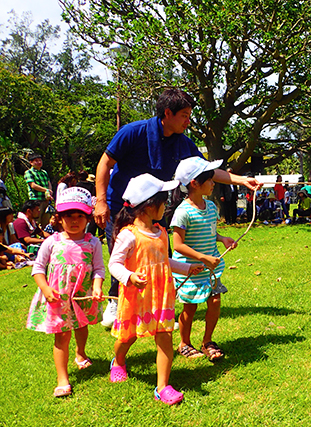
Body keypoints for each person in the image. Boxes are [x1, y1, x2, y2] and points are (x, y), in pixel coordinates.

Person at [96, 88, 261, 327]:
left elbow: (207, 170)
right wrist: (100, 201)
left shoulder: (183, 143)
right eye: (184, 114)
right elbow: (105, 163)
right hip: (122, 206)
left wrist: (242, 180)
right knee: (124, 256)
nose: (188, 120)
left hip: (155, 209)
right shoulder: (132, 132)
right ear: (167, 113)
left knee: (158, 254)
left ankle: (159, 308)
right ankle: (116, 302)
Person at [108, 173, 204, 405]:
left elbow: (164, 261)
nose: (168, 206)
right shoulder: (128, 235)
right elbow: (114, 264)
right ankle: (118, 360)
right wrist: (130, 277)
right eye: (165, 202)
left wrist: (187, 267)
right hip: (136, 296)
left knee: (165, 336)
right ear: (150, 206)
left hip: (161, 296)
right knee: (127, 336)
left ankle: (162, 386)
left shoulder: (161, 232)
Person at [25, 187, 105, 398]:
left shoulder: (93, 242)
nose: (75, 220)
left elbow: (98, 269)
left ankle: (80, 353)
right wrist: (45, 288)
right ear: (59, 218)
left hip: (82, 296)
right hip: (57, 299)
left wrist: (97, 286)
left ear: (88, 218)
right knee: (61, 336)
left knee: (81, 325)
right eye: (69, 215)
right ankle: (62, 378)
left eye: (80, 216)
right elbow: (38, 268)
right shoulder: (52, 242)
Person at [170, 157, 237, 362]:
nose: (213, 183)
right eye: (209, 179)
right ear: (194, 184)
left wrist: (223, 238)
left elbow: (210, 232)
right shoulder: (183, 212)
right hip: (191, 270)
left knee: (215, 301)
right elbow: (178, 245)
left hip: (211, 268)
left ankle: (207, 341)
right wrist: (202, 257)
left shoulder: (211, 207)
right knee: (189, 308)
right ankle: (184, 343)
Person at [24, 153, 54, 227]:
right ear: (31, 162)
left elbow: (48, 183)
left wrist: (49, 191)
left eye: (40, 160)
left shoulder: (44, 172)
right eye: (36, 161)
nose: (39, 162)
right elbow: (33, 185)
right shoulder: (29, 172)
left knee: (46, 220)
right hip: (36, 199)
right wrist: (45, 190)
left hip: (46, 200)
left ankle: (44, 235)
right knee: (36, 220)